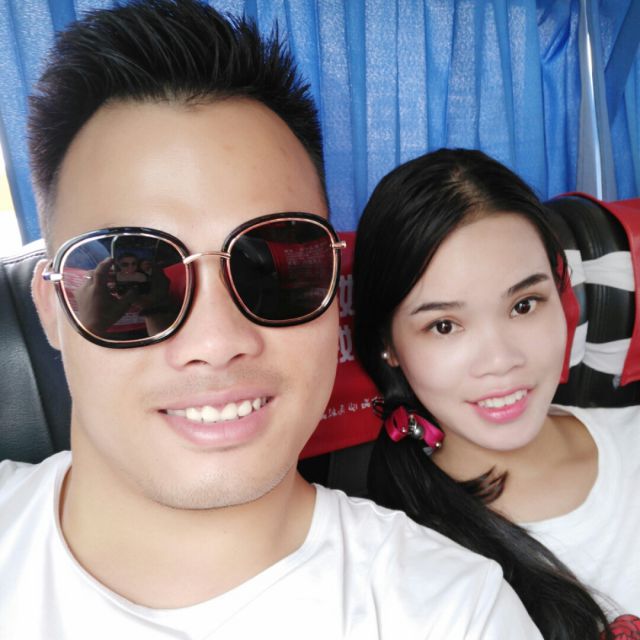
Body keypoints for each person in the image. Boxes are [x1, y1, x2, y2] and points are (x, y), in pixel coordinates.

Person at [0, 3, 542, 638]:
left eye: (272, 270)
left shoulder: (455, 613)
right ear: (52, 310)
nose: (217, 341)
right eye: (134, 277)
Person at [352, 147, 640, 639]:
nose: (501, 360)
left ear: (562, 296)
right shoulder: (389, 552)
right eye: (445, 326)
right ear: (389, 346)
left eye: (524, 304)